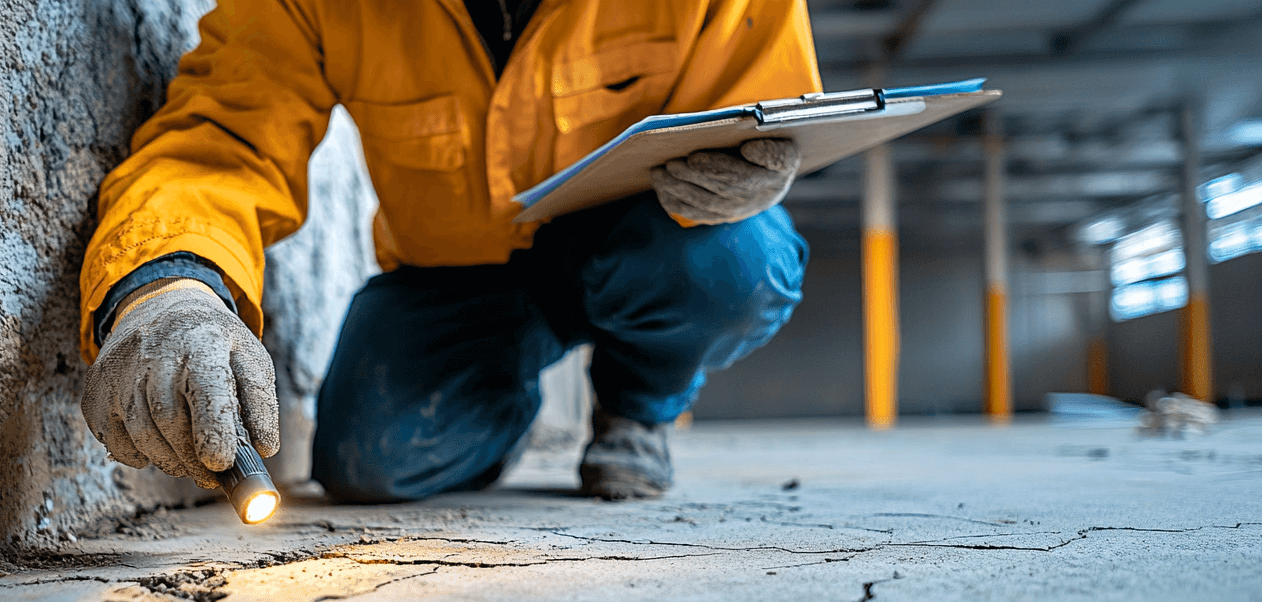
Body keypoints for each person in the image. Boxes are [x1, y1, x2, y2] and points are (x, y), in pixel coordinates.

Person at [79, 0, 820, 503]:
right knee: (369, 461)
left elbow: (760, 101)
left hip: (642, 245)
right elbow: (223, 143)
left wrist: (763, 157)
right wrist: (168, 285)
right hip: (460, 277)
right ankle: (501, 397)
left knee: (730, 267)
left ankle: (638, 404)